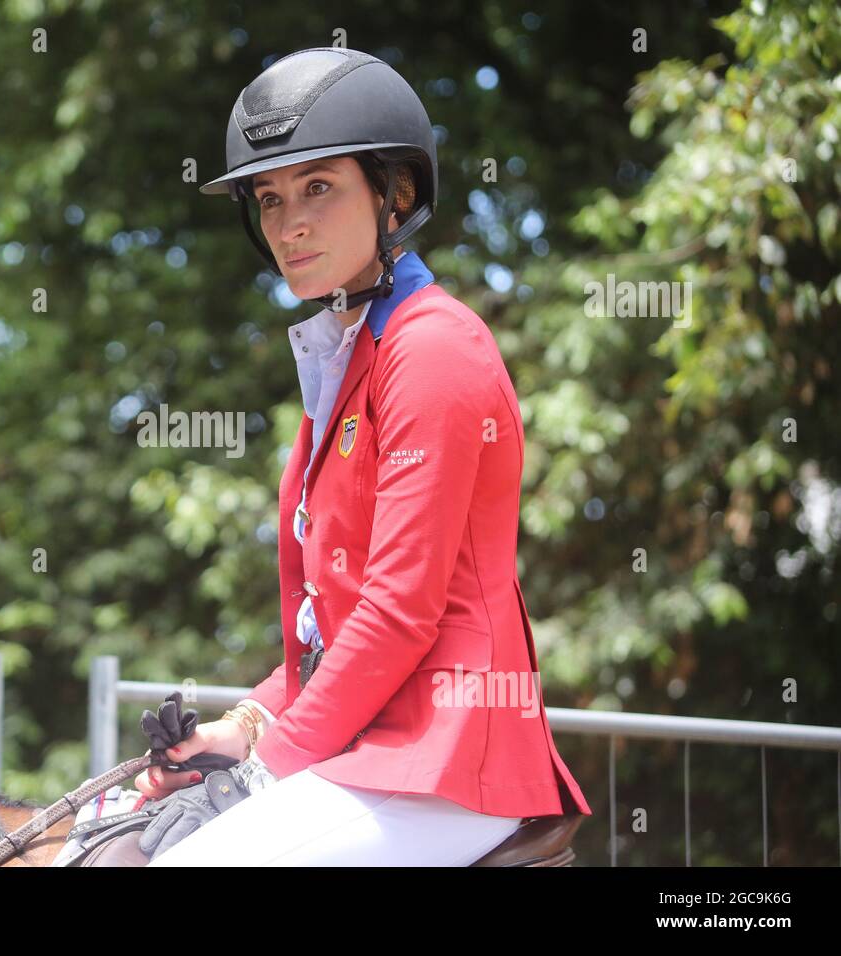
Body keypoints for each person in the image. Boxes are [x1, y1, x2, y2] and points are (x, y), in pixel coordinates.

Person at [134, 46, 593, 866]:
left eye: (318, 188)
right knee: (103, 829)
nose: (289, 224)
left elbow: (399, 610)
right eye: (269, 199)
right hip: (373, 745)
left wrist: (263, 771)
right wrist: (238, 730)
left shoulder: (433, 347)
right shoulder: (346, 360)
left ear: (396, 196)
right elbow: (330, 629)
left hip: (447, 758)